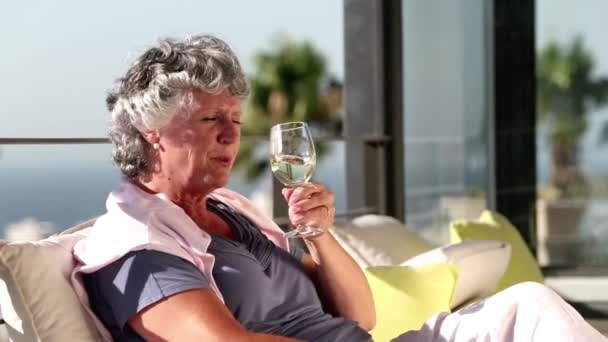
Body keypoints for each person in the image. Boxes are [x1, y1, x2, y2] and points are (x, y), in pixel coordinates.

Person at [71, 34, 607, 342]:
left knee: (530, 306)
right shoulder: (138, 249)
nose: (232, 134)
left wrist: (320, 235)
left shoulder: (231, 214)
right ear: (153, 133)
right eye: (212, 117)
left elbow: (361, 317)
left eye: (235, 117)